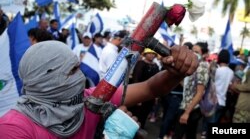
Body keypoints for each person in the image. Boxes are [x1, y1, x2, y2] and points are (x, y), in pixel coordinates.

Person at [0, 40, 198, 139]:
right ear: (45, 82)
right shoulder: (13, 128)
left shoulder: (89, 101)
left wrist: (175, 73)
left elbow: (150, 88)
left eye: (79, 66)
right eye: (72, 71)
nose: (81, 77)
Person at [172, 42, 210, 139]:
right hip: (185, 105)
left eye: (196, 51)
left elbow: (199, 93)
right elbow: (186, 86)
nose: (193, 53)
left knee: (179, 135)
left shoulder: (202, 68)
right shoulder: (193, 66)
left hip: (191, 109)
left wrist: (187, 113)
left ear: (204, 54)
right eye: (192, 51)